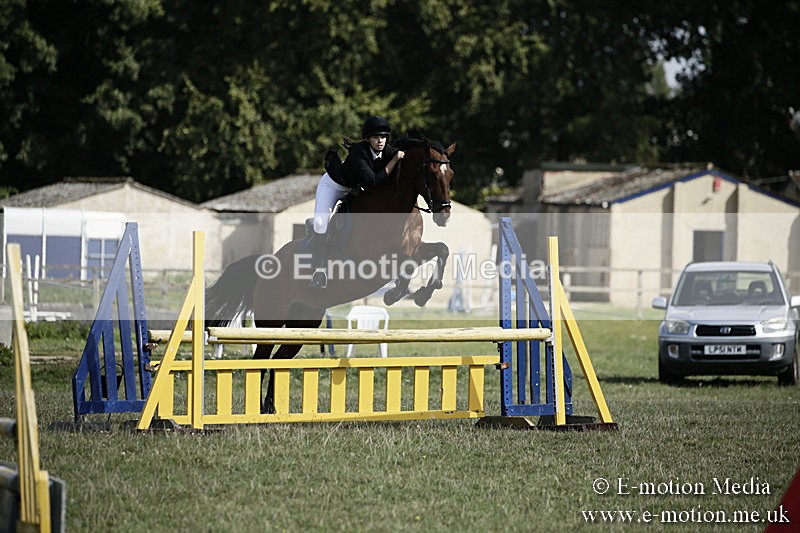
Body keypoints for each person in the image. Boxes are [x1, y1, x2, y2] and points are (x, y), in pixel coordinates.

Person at [309, 116, 405, 288]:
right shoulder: (358, 153)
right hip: (333, 185)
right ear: (368, 139)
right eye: (376, 137)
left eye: (383, 137)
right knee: (320, 222)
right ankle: (319, 271)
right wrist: (395, 160)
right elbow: (375, 181)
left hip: (353, 189)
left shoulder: (387, 150)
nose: (380, 141)